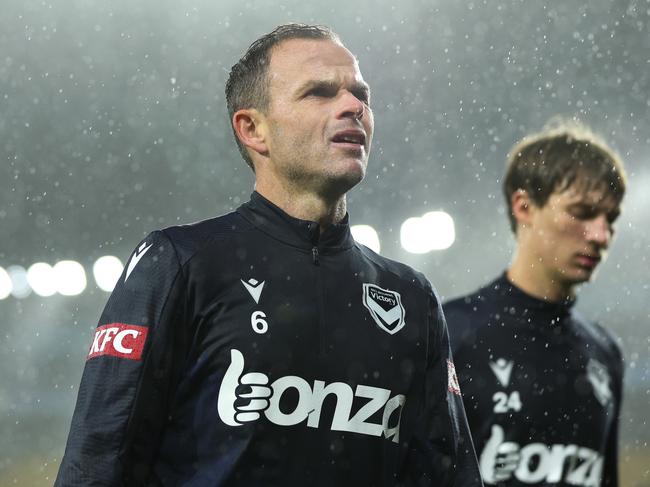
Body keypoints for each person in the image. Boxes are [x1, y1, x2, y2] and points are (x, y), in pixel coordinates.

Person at [55, 23, 481, 486]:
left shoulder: (411, 296)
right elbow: (98, 462)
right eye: (319, 92)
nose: (353, 106)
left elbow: (448, 475)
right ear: (253, 129)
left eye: (361, 94)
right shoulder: (181, 262)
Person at [443, 121, 626, 487]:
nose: (601, 234)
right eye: (582, 212)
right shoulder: (450, 332)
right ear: (524, 206)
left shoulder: (606, 353)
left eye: (611, 218)